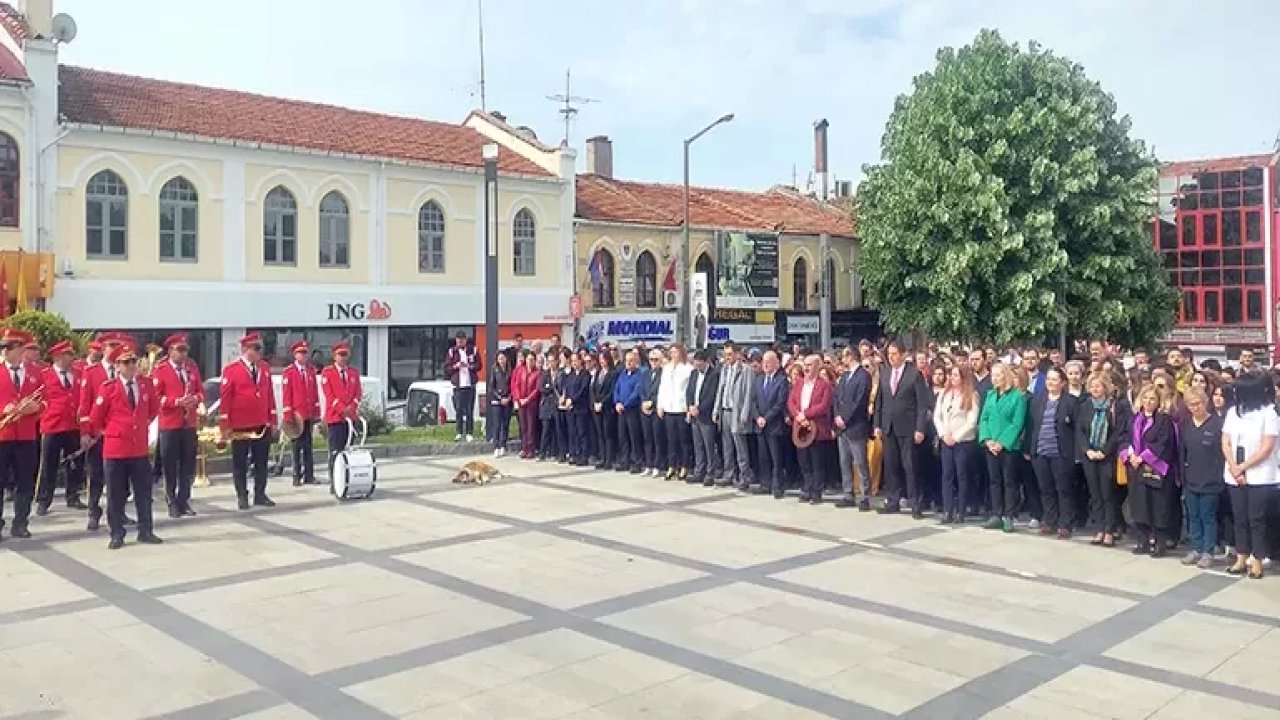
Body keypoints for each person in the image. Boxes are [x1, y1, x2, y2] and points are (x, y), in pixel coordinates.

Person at [89, 344, 161, 550]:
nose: (131, 366)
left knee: (143, 493)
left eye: (133, 362)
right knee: (115, 494)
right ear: (117, 366)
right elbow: (96, 419)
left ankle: (145, 530)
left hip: (138, 448)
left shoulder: (145, 385)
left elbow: (153, 411)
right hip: (116, 450)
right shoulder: (108, 387)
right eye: (125, 363)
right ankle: (117, 533)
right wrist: (112, 432)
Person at [1220, 372, 1277, 579]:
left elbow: (1266, 448)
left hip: (1259, 474)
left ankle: (1257, 559)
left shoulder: (1268, 413)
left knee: (1257, 518)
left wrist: (1244, 466)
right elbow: (1225, 441)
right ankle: (1241, 556)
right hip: (1234, 473)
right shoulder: (1233, 412)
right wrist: (1235, 467)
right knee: (1239, 517)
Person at [218, 332, 278, 510]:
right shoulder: (232, 370)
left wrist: (272, 419)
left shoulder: (264, 368)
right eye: (256, 348)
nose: (259, 352)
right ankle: (242, 496)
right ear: (245, 349)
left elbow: (269, 395)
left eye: (260, 348)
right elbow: (225, 399)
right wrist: (225, 427)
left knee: (261, 461)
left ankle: (260, 494)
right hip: (240, 424)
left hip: (261, 422)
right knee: (240, 462)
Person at [873, 340, 932, 516]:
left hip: (908, 427)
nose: (891, 358)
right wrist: (877, 424)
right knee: (891, 466)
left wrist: (920, 428)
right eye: (889, 354)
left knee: (910, 467)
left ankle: (916, 503)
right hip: (888, 426)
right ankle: (893, 500)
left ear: (903, 354)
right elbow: (879, 401)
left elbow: (922, 404)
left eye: (894, 354)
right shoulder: (884, 373)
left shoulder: (914, 374)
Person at [77, 332, 129, 530]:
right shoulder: (91, 372)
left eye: (118, 344)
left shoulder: (126, 371)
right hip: (97, 435)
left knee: (121, 477)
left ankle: (119, 513)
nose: (114, 348)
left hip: (120, 435)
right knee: (96, 475)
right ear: (103, 348)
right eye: (111, 345)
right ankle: (93, 511)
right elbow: (84, 405)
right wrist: (85, 432)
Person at [1121, 385, 1179, 558]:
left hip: (1156, 469)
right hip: (1135, 468)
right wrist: (1130, 454)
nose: (1148, 402)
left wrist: (1144, 457)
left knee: (1158, 507)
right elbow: (1124, 437)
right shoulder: (1134, 418)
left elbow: (1163, 443)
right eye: (1145, 398)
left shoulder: (1164, 420)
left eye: (1152, 399)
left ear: (1158, 401)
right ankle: (1143, 540)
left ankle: (1160, 543)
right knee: (1139, 506)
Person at [151, 333, 204, 518]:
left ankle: (184, 500)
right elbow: (155, 397)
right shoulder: (161, 369)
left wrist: (194, 399)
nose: (183, 354)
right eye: (179, 350)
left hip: (188, 423)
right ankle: (171, 501)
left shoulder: (191, 369)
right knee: (170, 465)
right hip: (170, 424)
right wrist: (177, 402)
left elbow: (200, 391)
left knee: (187, 465)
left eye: (185, 350)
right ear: (170, 351)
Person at [1075, 372, 1130, 548]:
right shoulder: (1085, 406)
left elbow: (1117, 433)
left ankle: (1109, 529)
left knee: (1108, 494)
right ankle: (1099, 527)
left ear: (1105, 387)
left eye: (1098, 386)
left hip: (1108, 456)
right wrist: (1087, 450)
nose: (1095, 389)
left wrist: (1104, 451)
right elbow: (1080, 431)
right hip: (1089, 455)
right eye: (1092, 386)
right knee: (1095, 494)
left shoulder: (1115, 407)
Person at [0, 329, 45, 540]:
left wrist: (36, 407)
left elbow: (47, 400)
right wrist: (3, 409)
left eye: (13, 347)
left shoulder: (35, 373)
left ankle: (20, 523)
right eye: (6, 348)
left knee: (25, 481)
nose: (8, 351)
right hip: (3, 435)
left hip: (26, 435)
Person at [1026, 367, 1079, 538]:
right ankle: (1049, 520)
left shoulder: (1070, 402)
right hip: (1041, 451)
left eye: (1055, 379)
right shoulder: (1038, 400)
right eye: (1048, 379)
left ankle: (1066, 523)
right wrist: (1029, 449)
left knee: (1063, 489)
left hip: (1061, 453)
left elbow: (1077, 429)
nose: (1050, 382)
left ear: (1063, 382)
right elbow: (1031, 426)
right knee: (1045, 488)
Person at [35, 341, 84, 516]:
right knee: (48, 464)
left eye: (71, 354)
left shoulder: (79, 374)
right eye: (67, 355)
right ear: (57, 357)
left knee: (75, 463)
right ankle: (43, 500)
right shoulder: (44, 375)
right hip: (52, 425)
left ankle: (73, 495)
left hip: (73, 425)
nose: (71, 358)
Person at [979, 362, 1027, 533]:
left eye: (998, 375)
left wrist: (1002, 442)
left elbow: (1017, 423)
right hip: (991, 445)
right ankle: (996, 514)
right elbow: (984, 418)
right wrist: (987, 440)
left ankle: (1009, 516)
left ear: (1006, 375)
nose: (995, 379)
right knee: (994, 480)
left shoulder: (1017, 397)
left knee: (1009, 481)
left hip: (1008, 446)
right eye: (993, 375)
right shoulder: (990, 395)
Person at [1179, 386, 1224, 568]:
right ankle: (1196, 548)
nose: (1195, 408)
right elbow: (1183, 453)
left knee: (1208, 517)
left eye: (1198, 404)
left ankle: (1208, 551)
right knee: (1193, 516)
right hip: (1191, 480)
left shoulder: (1216, 425)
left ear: (1205, 403)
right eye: (1191, 404)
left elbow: (1221, 454)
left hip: (1211, 481)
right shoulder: (1186, 425)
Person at [934, 365, 979, 524]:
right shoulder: (944, 394)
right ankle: (948, 510)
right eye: (951, 375)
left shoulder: (971, 395)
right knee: (947, 475)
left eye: (955, 375)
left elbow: (971, 421)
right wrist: (943, 434)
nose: (952, 378)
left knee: (962, 475)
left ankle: (961, 510)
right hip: (946, 440)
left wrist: (956, 437)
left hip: (963, 442)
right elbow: (937, 416)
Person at [788, 352, 834, 505]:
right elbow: (792, 402)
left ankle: (816, 491)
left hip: (817, 428)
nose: (806, 368)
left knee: (817, 462)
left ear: (817, 366)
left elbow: (824, 405)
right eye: (805, 365)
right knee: (804, 460)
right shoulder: (799, 383)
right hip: (800, 428)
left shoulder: (824, 385)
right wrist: (798, 416)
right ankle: (807, 488)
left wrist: (806, 414)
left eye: (810, 365)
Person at [834, 346, 872, 510]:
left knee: (860, 461)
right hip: (842, 428)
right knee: (844, 461)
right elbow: (836, 397)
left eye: (844, 356)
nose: (843, 359)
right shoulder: (844, 376)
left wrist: (846, 418)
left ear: (851, 356)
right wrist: (837, 415)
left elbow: (860, 400)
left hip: (856, 425)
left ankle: (865, 496)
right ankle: (848, 493)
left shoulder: (863, 376)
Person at [713, 344, 755, 490]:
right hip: (725, 409)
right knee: (727, 445)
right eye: (725, 354)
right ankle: (728, 474)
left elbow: (749, 393)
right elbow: (720, 389)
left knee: (740, 445)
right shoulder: (725, 369)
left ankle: (745, 476)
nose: (727, 357)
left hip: (737, 411)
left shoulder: (746, 370)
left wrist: (745, 413)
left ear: (737, 354)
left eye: (730, 354)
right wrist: (716, 410)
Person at [750, 350, 789, 498]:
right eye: (764, 361)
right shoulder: (759, 379)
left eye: (769, 361)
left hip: (774, 425)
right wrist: (757, 417)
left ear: (776, 364)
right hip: (760, 425)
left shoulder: (781, 380)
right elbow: (753, 401)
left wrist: (766, 418)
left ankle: (777, 485)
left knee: (776, 458)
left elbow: (780, 404)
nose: (765, 364)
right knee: (763, 456)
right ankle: (764, 483)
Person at [281, 341, 320, 486]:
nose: (303, 356)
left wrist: (316, 412)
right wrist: (288, 416)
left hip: (308, 414)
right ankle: (296, 476)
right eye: (300, 353)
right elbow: (286, 395)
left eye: (305, 353)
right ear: (295, 355)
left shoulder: (310, 370)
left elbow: (314, 394)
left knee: (308, 446)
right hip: (296, 416)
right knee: (296, 447)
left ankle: (309, 475)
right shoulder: (289, 372)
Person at [320, 342, 362, 467]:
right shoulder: (328, 373)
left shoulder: (353, 373)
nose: (343, 357)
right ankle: (334, 481)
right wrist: (343, 409)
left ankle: (346, 479)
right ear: (334, 356)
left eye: (345, 354)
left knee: (349, 452)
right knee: (335, 452)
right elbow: (329, 395)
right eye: (340, 354)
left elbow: (358, 393)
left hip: (350, 418)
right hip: (335, 418)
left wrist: (352, 407)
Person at [656, 343, 693, 480]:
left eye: (676, 352)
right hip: (669, 408)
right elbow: (662, 388)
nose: (673, 355)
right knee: (671, 440)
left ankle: (684, 465)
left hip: (681, 408)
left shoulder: (688, 369)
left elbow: (689, 389)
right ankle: (672, 465)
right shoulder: (666, 368)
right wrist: (660, 405)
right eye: (671, 352)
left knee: (683, 440)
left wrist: (689, 407)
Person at [686, 349, 721, 486]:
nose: (697, 367)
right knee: (698, 445)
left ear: (706, 362)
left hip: (706, 415)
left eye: (700, 364)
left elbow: (711, 396)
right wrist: (690, 406)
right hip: (694, 415)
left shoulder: (714, 375)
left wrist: (699, 409)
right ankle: (699, 471)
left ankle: (710, 472)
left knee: (709, 445)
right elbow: (689, 391)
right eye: (696, 364)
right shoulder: (693, 374)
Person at [446, 331, 481, 442]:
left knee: (470, 409)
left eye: (462, 340)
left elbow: (479, 365)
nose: (460, 342)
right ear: (456, 340)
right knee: (459, 410)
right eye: (458, 340)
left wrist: (469, 366)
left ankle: (469, 433)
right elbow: (447, 369)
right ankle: (459, 432)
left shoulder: (473, 350)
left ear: (466, 340)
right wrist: (456, 366)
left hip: (470, 384)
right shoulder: (452, 352)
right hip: (458, 385)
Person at [612, 350, 644, 473]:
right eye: (627, 361)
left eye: (631, 361)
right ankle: (624, 460)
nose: (628, 363)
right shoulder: (623, 374)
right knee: (622, 436)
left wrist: (625, 404)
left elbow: (636, 393)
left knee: (634, 437)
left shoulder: (639, 375)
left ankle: (637, 462)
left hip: (632, 410)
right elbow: (616, 389)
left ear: (636, 362)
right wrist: (617, 403)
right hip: (621, 411)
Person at [590, 350, 618, 469]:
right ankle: (602, 458)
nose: (602, 361)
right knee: (600, 434)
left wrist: (602, 403)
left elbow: (612, 391)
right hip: (597, 408)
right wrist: (595, 402)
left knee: (608, 434)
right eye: (600, 359)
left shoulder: (613, 373)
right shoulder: (598, 372)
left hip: (607, 408)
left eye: (604, 359)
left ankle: (609, 459)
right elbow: (593, 389)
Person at [562, 352, 591, 465]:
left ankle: (584, 456)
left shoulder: (585, 375)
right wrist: (566, 399)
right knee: (572, 432)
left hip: (581, 408)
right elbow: (567, 389)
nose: (574, 363)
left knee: (581, 432)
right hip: (571, 408)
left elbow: (582, 390)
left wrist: (572, 400)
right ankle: (575, 454)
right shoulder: (571, 375)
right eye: (572, 361)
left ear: (580, 361)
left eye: (576, 361)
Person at [513, 351, 542, 459]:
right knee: (523, 427)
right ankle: (524, 448)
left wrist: (528, 399)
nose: (529, 362)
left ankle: (531, 449)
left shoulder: (537, 373)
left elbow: (537, 389)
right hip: (521, 403)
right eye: (528, 359)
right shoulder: (521, 371)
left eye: (532, 360)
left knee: (531, 427)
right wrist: (519, 398)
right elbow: (516, 385)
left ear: (534, 361)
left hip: (531, 404)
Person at [641, 349, 665, 476]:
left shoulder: (663, 374)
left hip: (656, 410)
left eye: (656, 360)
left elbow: (662, 391)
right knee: (647, 438)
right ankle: (648, 464)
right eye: (651, 360)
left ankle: (657, 464)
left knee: (657, 438)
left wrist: (653, 402)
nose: (653, 362)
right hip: (645, 410)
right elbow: (642, 389)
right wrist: (644, 402)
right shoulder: (645, 374)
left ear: (661, 361)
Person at [487, 351, 513, 457]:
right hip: (497, 400)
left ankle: (503, 445)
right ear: (497, 360)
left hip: (508, 400)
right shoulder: (494, 369)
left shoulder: (510, 370)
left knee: (505, 424)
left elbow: (513, 385)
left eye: (503, 358)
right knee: (497, 424)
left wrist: (508, 398)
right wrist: (500, 398)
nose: (502, 360)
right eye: (500, 358)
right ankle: (496, 446)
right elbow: (491, 387)